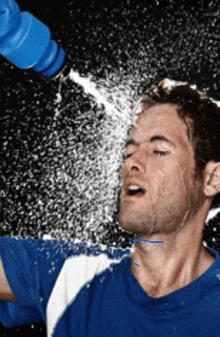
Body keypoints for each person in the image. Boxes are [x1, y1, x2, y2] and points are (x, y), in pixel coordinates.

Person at [0, 78, 220, 336]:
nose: (131, 164)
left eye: (158, 150)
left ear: (211, 179)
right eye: (128, 153)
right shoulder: (70, 273)